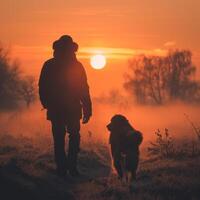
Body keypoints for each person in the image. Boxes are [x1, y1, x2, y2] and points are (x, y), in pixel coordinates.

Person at [38, 35, 92, 177]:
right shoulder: (76, 66)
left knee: (59, 138)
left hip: (58, 108)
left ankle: (63, 168)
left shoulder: (49, 64)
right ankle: (71, 167)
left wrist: (47, 103)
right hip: (71, 108)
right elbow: (84, 89)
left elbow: (42, 87)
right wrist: (87, 108)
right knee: (73, 136)